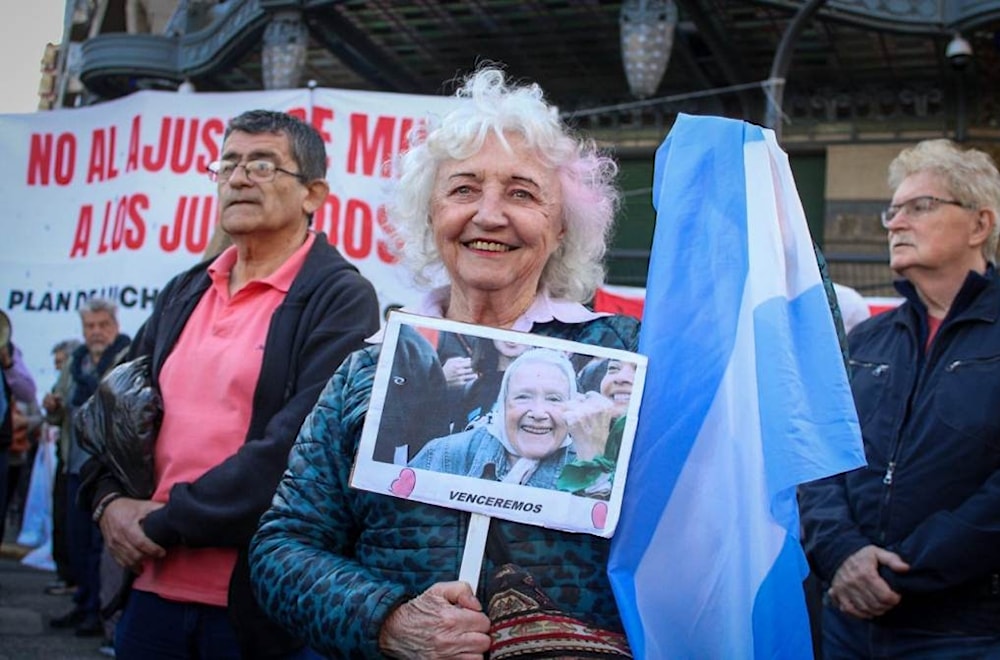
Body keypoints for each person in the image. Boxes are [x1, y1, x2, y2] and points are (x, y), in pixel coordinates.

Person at [248, 66, 639, 658]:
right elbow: (282, 547)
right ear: (430, 216)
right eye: (463, 189)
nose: (488, 214)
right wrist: (387, 620)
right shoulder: (367, 369)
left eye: (521, 192)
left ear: (561, 227)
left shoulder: (625, 356)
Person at [80, 109, 381, 659]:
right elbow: (110, 413)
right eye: (229, 164)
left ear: (313, 194)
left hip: (253, 606)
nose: (239, 178)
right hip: (149, 592)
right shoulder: (185, 290)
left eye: (263, 165)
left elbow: (298, 447)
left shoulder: (339, 297)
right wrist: (107, 504)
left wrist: (167, 522)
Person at [800, 138, 1000, 658]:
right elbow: (821, 457)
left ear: (980, 225)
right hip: (847, 621)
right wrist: (842, 554)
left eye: (920, 206)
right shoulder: (867, 341)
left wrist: (903, 570)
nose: (894, 222)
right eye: (893, 210)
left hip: (965, 632)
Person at [409, 347, 618, 492]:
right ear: (503, 404)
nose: (538, 413)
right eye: (523, 397)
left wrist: (593, 466)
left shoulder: (594, 464)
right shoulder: (444, 455)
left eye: (554, 399)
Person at [43, 298, 130, 638]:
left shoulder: (126, 357)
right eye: (89, 326)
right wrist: (52, 406)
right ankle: (82, 603)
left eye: (102, 325)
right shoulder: (75, 362)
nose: (95, 332)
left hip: (107, 470)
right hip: (73, 466)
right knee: (75, 540)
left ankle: (99, 610)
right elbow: (55, 408)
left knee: (99, 545)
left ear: (114, 325)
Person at [45, 339, 82, 597]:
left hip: (87, 460)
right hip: (69, 457)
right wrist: (53, 407)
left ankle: (77, 583)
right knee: (63, 519)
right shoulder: (71, 371)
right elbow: (55, 417)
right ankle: (68, 578)